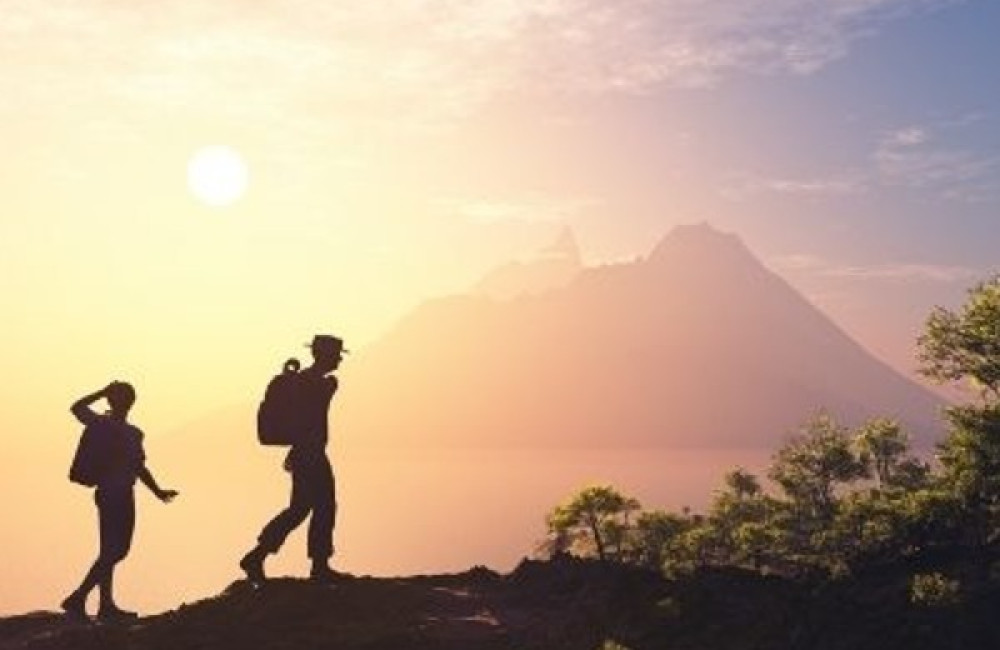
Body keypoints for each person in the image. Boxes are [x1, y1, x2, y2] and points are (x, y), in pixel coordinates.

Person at [61, 381, 178, 622]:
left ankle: (104, 605)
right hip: (115, 495)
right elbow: (76, 407)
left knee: (111, 551)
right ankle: (79, 597)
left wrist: (157, 491)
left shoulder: (126, 431)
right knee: (115, 551)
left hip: (118, 494)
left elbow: (138, 467)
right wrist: (103, 392)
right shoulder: (108, 426)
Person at [240, 335, 345, 583]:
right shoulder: (323, 385)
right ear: (325, 356)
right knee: (323, 506)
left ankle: (258, 555)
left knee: (300, 509)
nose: (339, 360)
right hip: (311, 454)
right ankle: (318, 565)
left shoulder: (302, 383)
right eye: (336, 355)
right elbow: (312, 417)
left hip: (303, 452)